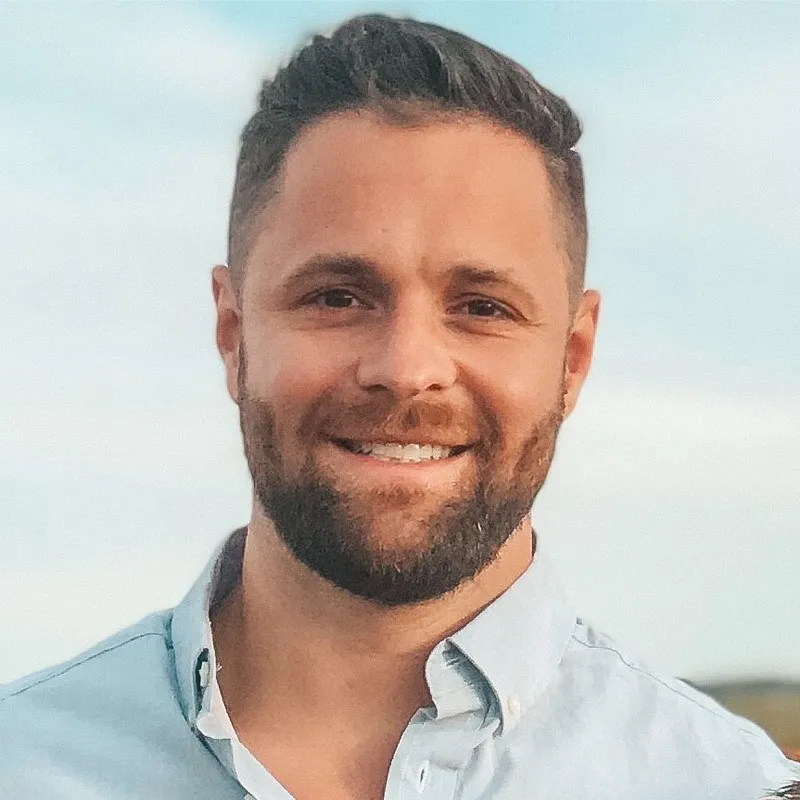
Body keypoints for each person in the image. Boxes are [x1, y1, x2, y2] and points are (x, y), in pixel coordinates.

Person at [1, 13, 797, 800]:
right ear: (233, 333)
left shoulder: (726, 784)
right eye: (338, 296)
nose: (407, 369)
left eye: (483, 306)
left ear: (574, 357)